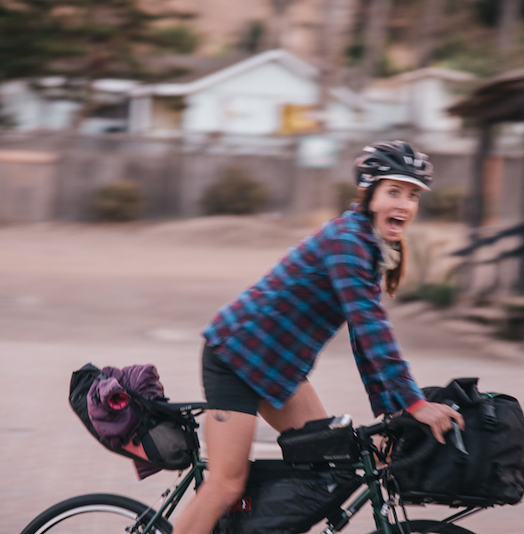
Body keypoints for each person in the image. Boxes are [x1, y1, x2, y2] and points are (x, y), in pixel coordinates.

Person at [172, 140, 464, 534]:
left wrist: (390, 412)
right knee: (226, 484)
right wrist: (414, 403)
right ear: (369, 195)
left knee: (336, 461)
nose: (404, 204)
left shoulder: (371, 246)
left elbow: (365, 344)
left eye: (412, 195)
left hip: (278, 367)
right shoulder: (347, 241)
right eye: (393, 191)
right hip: (237, 356)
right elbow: (370, 325)